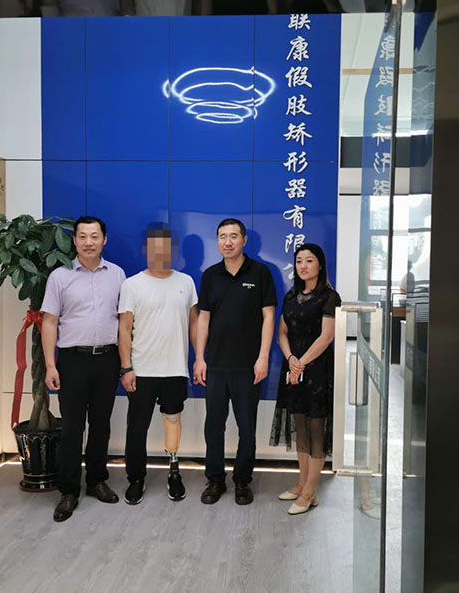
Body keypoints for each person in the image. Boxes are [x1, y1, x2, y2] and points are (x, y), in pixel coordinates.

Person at [41, 216, 126, 522]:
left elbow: (125, 322)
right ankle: (68, 490)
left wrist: (125, 363)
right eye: (82, 236)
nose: (89, 242)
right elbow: (49, 322)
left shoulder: (117, 275)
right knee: (72, 428)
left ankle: (96, 481)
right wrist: (50, 365)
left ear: (104, 239)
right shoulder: (59, 276)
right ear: (74, 240)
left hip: (107, 359)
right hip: (72, 360)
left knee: (101, 424)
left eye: (94, 236)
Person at [194, 218, 276, 505]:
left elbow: (269, 316)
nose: (227, 242)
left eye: (233, 236)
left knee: (247, 427)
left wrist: (263, 357)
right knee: (214, 426)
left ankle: (242, 480)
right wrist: (199, 358)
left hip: (248, 366)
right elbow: (203, 319)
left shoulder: (261, 272)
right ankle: (215, 479)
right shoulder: (210, 275)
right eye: (222, 237)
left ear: (244, 240)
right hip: (215, 365)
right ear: (217, 241)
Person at [118, 223, 198, 504]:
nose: (161, 252)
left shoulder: (186, 282)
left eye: (166, 246)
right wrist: (126, 367)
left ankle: (174, 472)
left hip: (175, 369)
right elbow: (124, 328)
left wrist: (199, 358)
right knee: (137, 427)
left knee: (173, 422)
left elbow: (194, 323)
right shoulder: (132, 284)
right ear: (145, 250)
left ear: (174, 249)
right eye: (154, 246)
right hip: (142, 370)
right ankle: (136, 478)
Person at [270, 243, 341, 515]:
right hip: (293, 369)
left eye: (309, 261)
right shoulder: (291, 296)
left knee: (316, 430)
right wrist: (291, 359)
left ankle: (310, 492)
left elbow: (327, 336)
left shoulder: (329, 297)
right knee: (300, 427)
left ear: (320, 265)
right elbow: (282, 332)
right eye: (299, 261)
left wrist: (301, 363)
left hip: (317, 370)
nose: (303, 266)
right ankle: (301, 483)